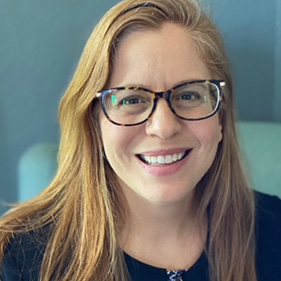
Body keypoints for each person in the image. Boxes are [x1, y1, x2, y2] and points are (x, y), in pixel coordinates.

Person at [1, 0, 281, 280]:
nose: (164, 127)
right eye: (131, 99)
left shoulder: (275, 227)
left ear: (220, 116)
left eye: (189, 95)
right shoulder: (16, 258)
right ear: (94, 126)